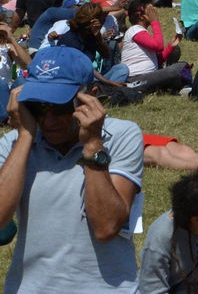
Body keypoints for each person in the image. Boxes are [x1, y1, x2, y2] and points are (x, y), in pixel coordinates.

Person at [0, 46, 144, 292]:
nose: (48, 120)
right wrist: (25, 136)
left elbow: (107, 227)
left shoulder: (121, 135)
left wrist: (92, 144)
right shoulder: (13, 145)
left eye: (59, 107)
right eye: (37, 107)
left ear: (92, 96)